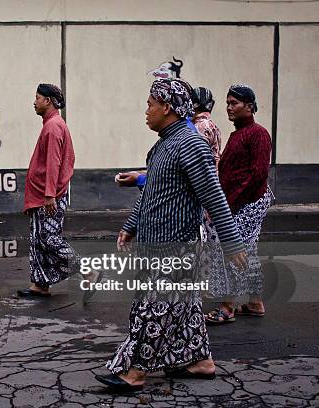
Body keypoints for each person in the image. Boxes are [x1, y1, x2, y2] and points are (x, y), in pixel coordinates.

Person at [94, 78, 246, 392]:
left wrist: (231, 242)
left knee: (153, 307)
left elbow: (214, 196)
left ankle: (135, 372)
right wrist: (131, 224)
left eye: (150, 103)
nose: (146, 110)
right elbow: (152, 191)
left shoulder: (190, 145)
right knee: (186, 307)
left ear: (166, 107)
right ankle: (201, 362)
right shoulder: (164, 144)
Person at [205, 85, 273, 324]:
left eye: (234, 103)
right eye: (227, 103)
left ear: (250, 106)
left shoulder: (259, 134)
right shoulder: (236, 135)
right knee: (248, 252)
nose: (229, 108)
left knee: (235, 251)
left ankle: (228, 306)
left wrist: (231, 204)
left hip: (250, 203)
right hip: (235, 202)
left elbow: (258, 174)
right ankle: (255, 303)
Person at [17, 84, 78, 298]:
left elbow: (54, 163)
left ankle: (89, 272)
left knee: (49, 239)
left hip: (49, 195)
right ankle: (39, 285)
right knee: (37, 239)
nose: (34, 102)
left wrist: (50, 195)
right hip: (43, 194)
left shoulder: (53, 126)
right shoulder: (52, 124)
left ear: (48, 101)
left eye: (37, 98)